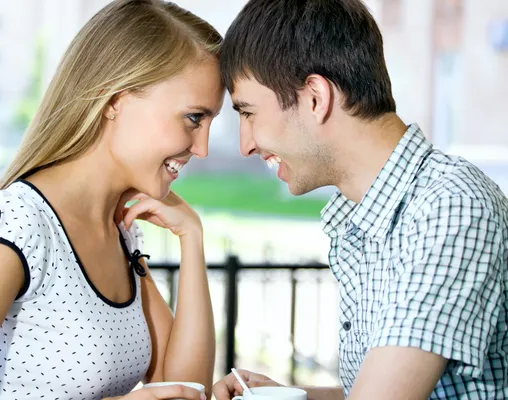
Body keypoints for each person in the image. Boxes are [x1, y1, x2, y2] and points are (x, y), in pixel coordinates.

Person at [0, 0, 224, 399]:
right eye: (194, 118)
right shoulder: (19, 223)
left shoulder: (119, 232)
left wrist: (192, 239)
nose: (204, 147)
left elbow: (185, 387)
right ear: (114, 101)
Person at [213, 0, 508, 399]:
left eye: (247, 113)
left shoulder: (450, 206)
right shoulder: (366, 215)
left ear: (316, 97)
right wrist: (293, 396)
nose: (246, 144)